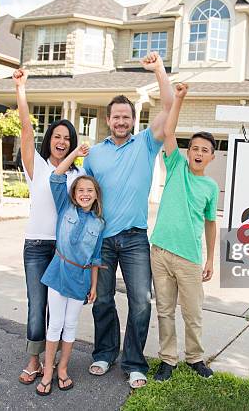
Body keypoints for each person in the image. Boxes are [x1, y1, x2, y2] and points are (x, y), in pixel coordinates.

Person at [83, 52, 173, 388]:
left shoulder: (146, 144)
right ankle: (105, 354)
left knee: (140, 301)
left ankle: (134, 361)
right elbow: (84, 196)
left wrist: (160, 70)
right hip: (102, 239)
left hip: (135, 238)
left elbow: (168, 106)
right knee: (103, 300)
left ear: (133, 120)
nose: (121, 122)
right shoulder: (94, 154)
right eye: (116, 117)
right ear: (108, 120)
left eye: (126, 117)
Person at [14, 69, 84, 385]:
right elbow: (26, 130)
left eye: (67, 139)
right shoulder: (37, 168)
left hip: (63, 252)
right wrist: (21, 89)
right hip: (36, 246)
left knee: (58, 311)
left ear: (72, 145)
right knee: (36, 304)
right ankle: (34, 359)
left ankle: (54, 361)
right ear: (50, 140)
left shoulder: (74, 177)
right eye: (57, 136)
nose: (61, 141)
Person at [149, 83, 219, 381]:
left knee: (192, 313)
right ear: (187, 152)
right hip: (161, 251)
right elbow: (168, 131)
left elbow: (210, 223)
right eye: (195, 148)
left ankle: (195, 358)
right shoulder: (176, 164)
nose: (199, 153)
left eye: (205, 150)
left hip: (190, 257)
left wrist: (210, 260)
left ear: (212, 157)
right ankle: (168, 359)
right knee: (164, 311)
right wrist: (178, 98)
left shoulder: (211, 187)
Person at [35, 143, 105, 395]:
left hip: (81, 278)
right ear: (74, 194)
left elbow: (96, 257)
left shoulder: (99, 223)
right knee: (55, 324)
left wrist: (94, 286)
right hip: (59, 272)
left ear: (96, 195)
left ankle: (63, 368)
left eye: (90, 190)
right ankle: (48, 372)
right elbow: (56, 177)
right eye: (81, 190)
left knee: (71, 324)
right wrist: (75, 154)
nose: (85, 194)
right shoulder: (65, 208)